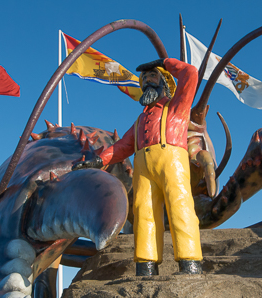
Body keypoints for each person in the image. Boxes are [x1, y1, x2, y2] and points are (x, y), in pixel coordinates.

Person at [73, 58, 203, 276]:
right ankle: (146, 264)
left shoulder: (178, 106)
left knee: (180, 207)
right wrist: (100, 160)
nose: (146, 82)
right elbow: (123, 146)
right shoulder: (140, 120)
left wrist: (165, 62)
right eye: (144, 79)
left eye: (153, 76)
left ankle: (190, 262)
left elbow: (190, 73)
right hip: (143, 166)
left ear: (164, 82)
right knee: (144, 211)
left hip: (173, 161)